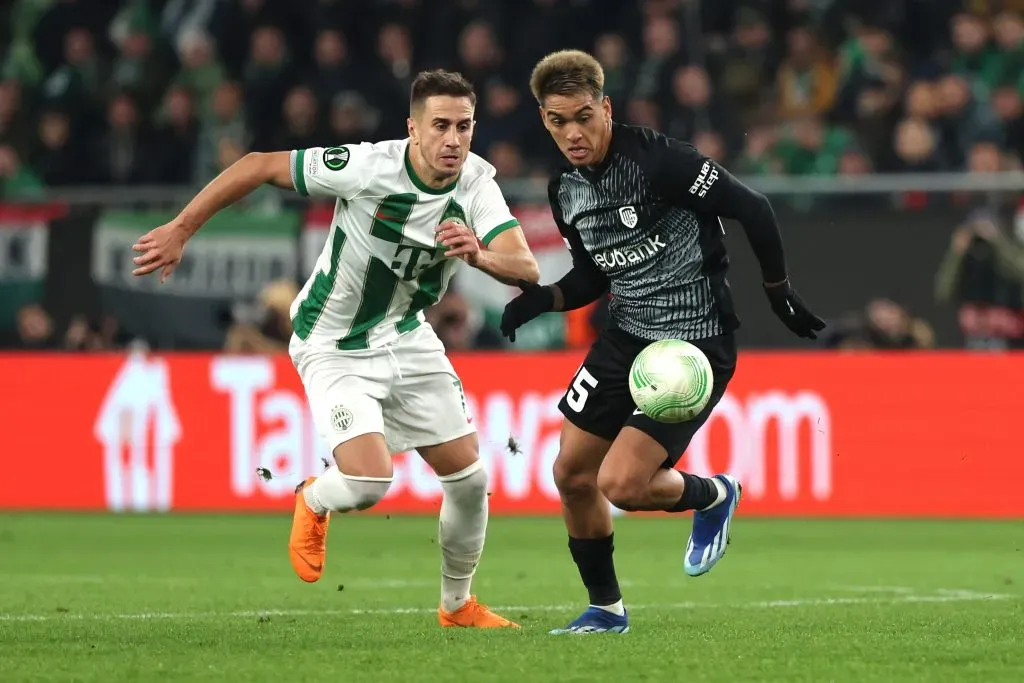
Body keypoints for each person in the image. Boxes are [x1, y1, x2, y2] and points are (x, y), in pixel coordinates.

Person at [131, 69, 540, 629]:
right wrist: (180, 230)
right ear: (412, 129)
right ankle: (315, 498)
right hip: (333, 341)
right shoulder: (369, 167)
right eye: (440, 125)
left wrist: (478, 253)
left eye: (464, 127)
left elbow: (526, 266)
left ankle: (457, 606)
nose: (453, 139)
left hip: (405, 334)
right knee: (371, 482)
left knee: (470, 481)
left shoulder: (476, 185)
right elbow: (256, 165)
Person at [500, 50, 824, 634]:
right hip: (625, 336)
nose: (572, 133)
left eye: (582, 117)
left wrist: (778, 292)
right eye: (556, 121)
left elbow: (755, 208)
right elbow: (595, 274)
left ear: (605, 107)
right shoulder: (566, 188)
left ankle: (712, 494)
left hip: (693, 343)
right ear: (543, 119)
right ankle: (606, 609)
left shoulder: (662, 161)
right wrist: (543, 298)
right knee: (571, 475)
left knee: (622, 485)